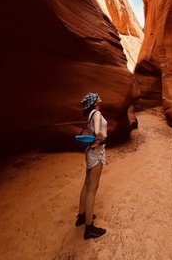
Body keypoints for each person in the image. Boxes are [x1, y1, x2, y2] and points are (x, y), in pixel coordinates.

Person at [76, 92, 107, 239]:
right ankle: (89, 228)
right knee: (93, 189)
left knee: (87, 184)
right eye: (97, 96)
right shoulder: (97, 113)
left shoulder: (91, 114)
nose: (99, 97)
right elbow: (98, 132)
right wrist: (101, 139)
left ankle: (81, 216)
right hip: (96, 152)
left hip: (89, 151)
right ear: (94, 102)